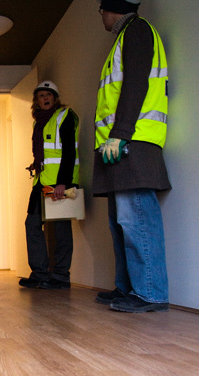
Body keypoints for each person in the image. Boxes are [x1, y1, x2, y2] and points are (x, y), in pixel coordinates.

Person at [93, 0, 170, 312]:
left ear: (112, 9)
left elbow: (135, 85)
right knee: (120, 222)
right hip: (119, 146)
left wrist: (121, 133)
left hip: (131, 143)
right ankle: (127, 288)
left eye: (101, 11)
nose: (101, 17)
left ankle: (150, 292)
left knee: (135, 218)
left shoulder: (137, 31)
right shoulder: (124, 38)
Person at [19, 81, 80, 290]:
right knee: (32, 225)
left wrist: (63, 182)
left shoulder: (65, 116)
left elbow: (69, 151)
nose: (44, 99)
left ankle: (61, 276)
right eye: (40, 96)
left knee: (61, 229)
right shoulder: (38, 122)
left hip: (59, 183)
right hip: (41, 182)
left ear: (55, 98)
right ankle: (39, 273)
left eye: (48, 95)